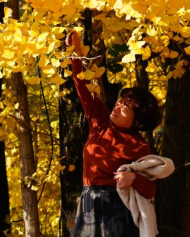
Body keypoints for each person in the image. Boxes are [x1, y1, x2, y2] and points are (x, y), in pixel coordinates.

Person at [66, 29, 160, 237]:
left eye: (125, 106)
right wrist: (76, 54)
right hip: (89, 203)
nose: (117, 106)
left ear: (137, 119)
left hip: (118, 211)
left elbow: (150, 190)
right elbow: (82, 85)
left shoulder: (139, 146)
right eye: (120, 100)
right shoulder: (99, 120)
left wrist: (133, 178)